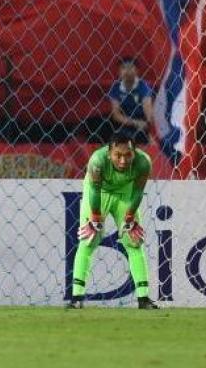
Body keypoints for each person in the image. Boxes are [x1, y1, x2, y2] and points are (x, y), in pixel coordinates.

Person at [68, 131, 159, 309]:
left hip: (125, 196)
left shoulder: (143, 163)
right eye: (118, 155)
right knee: (88, 240)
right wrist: (95, 219)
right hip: (99, 194)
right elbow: (94, 190)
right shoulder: (97, 161)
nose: (123, 161)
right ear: (109, 153)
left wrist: (130, 216)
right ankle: (77, 298)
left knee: (134, 242)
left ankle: (143, 299)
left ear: (134, 152)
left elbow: (138, 191)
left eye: (128, 155)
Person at [109, 58, 154, 145]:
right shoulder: (115, 87)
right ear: (119, 72)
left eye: (130, 67)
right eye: (123, 68)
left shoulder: (143, 86)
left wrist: (149, 130)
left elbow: (148, 111)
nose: (127, 71)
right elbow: (116, 115)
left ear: (137, 71)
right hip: (125, 122)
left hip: (142, 122)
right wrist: (134, 123)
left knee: (148, 140)